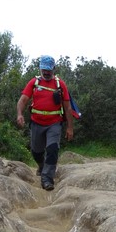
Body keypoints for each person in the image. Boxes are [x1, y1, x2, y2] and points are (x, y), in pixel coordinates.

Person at [16, 55, 74, 191]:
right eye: (44, 70)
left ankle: (47, 179)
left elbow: (68, 107)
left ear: (53, 69)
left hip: (54, 123)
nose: (46, 73)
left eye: (49, 70)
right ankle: (41, 166)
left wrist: (70, 128)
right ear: (40, 69)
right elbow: (22, 100)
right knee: (36, 151)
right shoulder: (34, 83)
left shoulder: (60, 85)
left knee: (52, 149)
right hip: (36, 123)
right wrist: (19, 114)